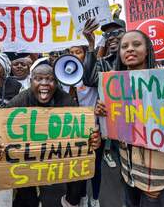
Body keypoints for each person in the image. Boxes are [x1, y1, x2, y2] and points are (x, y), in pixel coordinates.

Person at [0, 63, 101, 207]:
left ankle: (71, 201)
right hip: (30, 160)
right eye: (39, 79)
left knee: (78, 170)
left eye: (50, 79)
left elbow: (83, 135)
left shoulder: (66, 101)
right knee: (25, 191)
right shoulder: (19, 101)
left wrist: (93, 139)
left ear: (56, 83)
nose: (44, 83)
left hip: (56, 156)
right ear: (31, 81)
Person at [95, 30, 164, 207]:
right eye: (124, 46)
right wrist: (103, 112)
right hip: (127, 171)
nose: (129, 49)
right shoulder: (114, 86)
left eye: (136, 44)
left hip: (155, 176)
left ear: (147, 50)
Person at [82, 18, 126, 169]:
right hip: (112, 124)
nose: (111, 37)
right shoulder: (104, 63)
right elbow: (89, 80)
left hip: (138, 124)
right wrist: (90, 46)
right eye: (107, 35)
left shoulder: (138, 61)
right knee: (123, 169)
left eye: (116, 32)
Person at [65, 45, 102, 207]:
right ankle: (83, 195)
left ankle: (95, 197)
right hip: (73, 131)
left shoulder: (91, 75)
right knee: (79, 166)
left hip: (94, 129)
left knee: (96, 166)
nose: (74, 55)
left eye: (78, 52)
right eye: (71, 53)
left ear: (84, 54)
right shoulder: (63, 75)